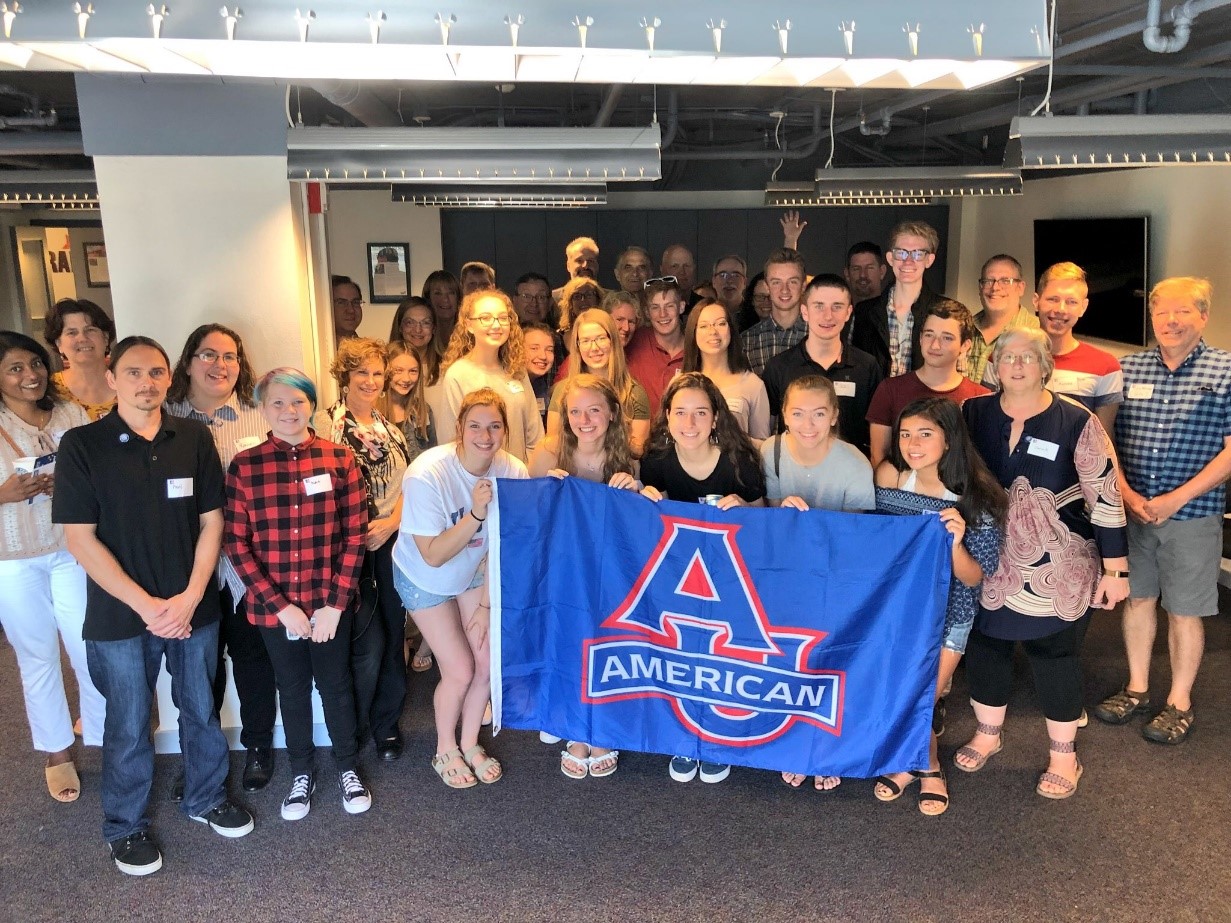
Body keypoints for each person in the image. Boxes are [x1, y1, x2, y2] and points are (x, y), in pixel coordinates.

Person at [54, 335, 254, 877]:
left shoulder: (192, 436)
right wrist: (149, 606)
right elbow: (80, 540)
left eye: (157, 373)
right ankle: (125, 826)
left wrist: (189, 597)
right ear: (113, 378)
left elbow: (214, 522)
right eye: (135, 372)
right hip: (121, 615)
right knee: (127, 720)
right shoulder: (81, 445)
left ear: (170, 379)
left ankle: (206, 797)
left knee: (200, 708)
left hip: (193, 606)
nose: (148, 382)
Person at [959, 328, 1128, 799]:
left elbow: (1106, 496)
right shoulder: (971, 413)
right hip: (986, 561)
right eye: (1007, 357)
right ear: (994, 365)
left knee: (1056, 657)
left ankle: (1063, 755)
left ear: (1044, 365)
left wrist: (1116, 569)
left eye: (1027, 358)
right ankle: (988, 734)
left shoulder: (1076, 421)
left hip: (1058, 569)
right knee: (985, 646)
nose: (1016, 365)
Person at [225, 368, 373, 820]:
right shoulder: (246, 466)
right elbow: (237, 544)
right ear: (262, 408)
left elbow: (354, 535)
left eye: (298, 402)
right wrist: (281, 607)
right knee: (290, 690)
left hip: (331, 604)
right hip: (277, 611)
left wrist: (336, 604)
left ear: (311, 404)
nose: (289, 411)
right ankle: (301, 774)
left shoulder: (338, 458)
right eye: (278, 403)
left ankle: (348, 769)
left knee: (336, 687)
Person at [1094, 277, 1231, 745]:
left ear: (1203, 316)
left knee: (1185, 611)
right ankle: (1136, 688)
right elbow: (1104, 439)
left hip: (1193, 513)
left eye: (1182, 312)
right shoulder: (1127, 369)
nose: (1170, 321)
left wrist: (1178, 497)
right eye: (1161, 313)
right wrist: (1127, 494)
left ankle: (1179, 701)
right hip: (1132, 510)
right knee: (1138, 599)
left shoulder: (1225, 370)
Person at [871, 397, 1006, 816]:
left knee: (924, 695)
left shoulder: (979, 498)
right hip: (897, 612)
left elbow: (974, 577)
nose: (912, 443)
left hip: (951, 614)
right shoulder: (891, 477)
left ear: (949, 440)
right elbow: (874, 540)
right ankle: (923, 765)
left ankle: (924, 767)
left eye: (925, 434)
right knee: (905, 692)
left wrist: (954, 542)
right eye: (906, 434)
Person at [394, 388, 528, 788]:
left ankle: (470, 743)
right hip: (426, 577)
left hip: (476, 572)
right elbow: (433, 555)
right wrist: (475, 514)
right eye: (475, 425)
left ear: (504, 430)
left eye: (494, 426)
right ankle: (444, 748)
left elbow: (504, 547)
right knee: (460, 669)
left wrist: (487, 606)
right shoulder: (427, 472)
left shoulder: (513, 470)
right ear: (458, 429)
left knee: (487, 665)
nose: (485, 436)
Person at [165, 324, 278, 797]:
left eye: (229, 356)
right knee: (196, 671)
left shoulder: (259, 416)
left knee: (252, 659)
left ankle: (257, 747)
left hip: (246, 566)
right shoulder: (161, 416)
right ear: (188, 361)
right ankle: (198, 755)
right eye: (208, 355)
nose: (220, 365)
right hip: (185, 566)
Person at [640, 372, 766, 787]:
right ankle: (681, 732)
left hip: (732, 580)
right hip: (677, 580)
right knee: (678, 655)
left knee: (722, 659)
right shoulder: (655, 461)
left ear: (715, 419)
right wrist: (643, 500)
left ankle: (717, 736)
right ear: (668, 418)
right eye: (680, 413)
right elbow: (643, 532)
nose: (689, 422)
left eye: (700, 413)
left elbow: (767, 523)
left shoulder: (739, 460)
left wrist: (745, 508)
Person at [0, 330, 103, 804]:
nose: (30, 376)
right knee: (36, 654)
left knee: (89, 645)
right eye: (15, 369)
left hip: (71, 547)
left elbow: (99, 468)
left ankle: (104, 735)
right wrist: (5, 493)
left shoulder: (69, 412)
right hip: (12, 558)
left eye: (35, 364)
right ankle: (56, 752)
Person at [529, 374, 637, 778]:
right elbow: (526, 522)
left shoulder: (629, 457)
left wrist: (637, 489)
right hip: (562, 570)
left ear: (611, 413)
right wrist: (544, 491)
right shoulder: (547, 453)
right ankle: (575, 726)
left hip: (611, 573)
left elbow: (640, 526)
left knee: (608, 642)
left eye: (594, 409)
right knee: (571, 642)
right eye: (574, 411)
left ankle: (603, 726)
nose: (584, 419)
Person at [316, 337, 412, 762]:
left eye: (377, 373)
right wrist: (359, 532)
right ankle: (351, 726)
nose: (371, 381)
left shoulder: (389, 427)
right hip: (350, 549)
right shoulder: (327, 427)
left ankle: (387, 723)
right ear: (345, 377)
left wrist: (392, 523)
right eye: (362, 373)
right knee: (364, 643)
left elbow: (410, 485)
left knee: (393, 636)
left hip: (392, 545)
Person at [763, 274, 883, 455]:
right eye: (819, 306)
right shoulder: (779, 366)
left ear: (848, 312)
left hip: (850, 475)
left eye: (837, 307)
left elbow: (877, 434)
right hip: (794, 475)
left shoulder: (867, 367)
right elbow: (767, 431)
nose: (828, 316)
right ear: (805, 312)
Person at [865, 299, 990, 467]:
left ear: (965, 345)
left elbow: (982, 464)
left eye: (947, 338)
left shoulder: (981, 399)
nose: (935, 345)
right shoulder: (890, 390)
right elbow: (878, 458)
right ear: (920, 338)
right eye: (929, 335)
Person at [439, 289, 544, 462]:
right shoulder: (457, 375)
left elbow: (535, 433)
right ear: (469, 325)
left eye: (503, 318)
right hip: (477, 483)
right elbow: (451, 442)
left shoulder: (516, 369)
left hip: (518, 479)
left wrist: (529, 477)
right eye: (485, 318)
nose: (496, 325)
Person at [1029, 262, 1123, 433]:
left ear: (1083, 307)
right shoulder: (1004, 358)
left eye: (1071, 302)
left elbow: (1103, 439)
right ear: (1036, 301)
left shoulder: (1105, 366)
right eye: (1052, 299)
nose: (1060, 309)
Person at [762, 375, 875, 515]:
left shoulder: (857, 465)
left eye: (819, 414)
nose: (808, 425)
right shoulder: (771, 451)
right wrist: (785, 513)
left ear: (834, 416)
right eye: (797, 414)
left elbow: (849, 528)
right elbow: (775, 519)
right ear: (785, 416)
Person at [850, 221, 949, 379]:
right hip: (875, 402)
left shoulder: (946, 312)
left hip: (925, 403)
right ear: (890, 258)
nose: (908, 261)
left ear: (929, 260)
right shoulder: (864, 312)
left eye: (917, 254)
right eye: (901, 253)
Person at [547, 308, 650, 457]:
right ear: (577, 346)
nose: (594, 348)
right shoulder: (563, 390)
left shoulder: (634, 393)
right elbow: (552, 444)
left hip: (617, 476)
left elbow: (638, 452)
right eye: (586, 341)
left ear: (612, 340)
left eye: (601, 338)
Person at [683, 299, 769, 443]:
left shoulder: (753, 385)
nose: (713, 331)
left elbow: (763, 446)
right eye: (704, 326)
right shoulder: (680, 382)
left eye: (721, 323)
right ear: (693, 332)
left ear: (731, 329)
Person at [965, 254, 1039, 386]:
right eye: (988, 281)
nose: (995, 288)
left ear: (1020, 288)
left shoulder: (1037, 333)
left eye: (1005, 281)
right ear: (980, 287)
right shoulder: (964, 328)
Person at [42, 298, 116, 421]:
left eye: (90, 330)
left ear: (106, 338)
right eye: (72, 333)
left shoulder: (128, 382)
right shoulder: (49, 390)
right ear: (58, 343)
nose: (82, 338)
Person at [740, 249, 808, 376]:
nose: (784, 290)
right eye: (776, 282)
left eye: (792, 282)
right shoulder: (747, 341)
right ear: (767, 286)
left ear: (803, 285)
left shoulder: (818, 335)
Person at [626, 277, 687, 416]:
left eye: (669, 306)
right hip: (640, 435)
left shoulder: (697, 347)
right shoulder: (633, 340)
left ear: (681, 307)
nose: (662, 314)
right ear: (647, 312)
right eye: (655, 307)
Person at [379, 340, 436, 465]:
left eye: (413, 371)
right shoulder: (372, 413)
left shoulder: (423, 410)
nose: (406, 378)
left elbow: (433, 458)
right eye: (398, 370)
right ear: (385, 371)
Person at [389, 296, 444, 389]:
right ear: (400, 327)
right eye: (410, 322)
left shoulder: (446, 369)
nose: (418, 330)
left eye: (426, 323)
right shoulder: (383, 365)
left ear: (434, 328)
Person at [522, 322, 557, 425]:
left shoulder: (542, 385)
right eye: (534, 348)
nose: (543, 356)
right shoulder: (505, 386)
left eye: (549, 350)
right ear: (517, 348)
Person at [552, 236, 601, 304]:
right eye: (579, 260)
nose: (585, 266)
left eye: (590, 261)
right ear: (568, 266)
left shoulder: (610, 301)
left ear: (597, 265)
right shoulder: (552, 300)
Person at [557, 276, 604, 345]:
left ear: (598, 299)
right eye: (577, 296)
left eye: (589, 295)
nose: (583, 300)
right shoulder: (559, 337)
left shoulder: (608, 330)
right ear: (570, 304)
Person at [422, 270, 462, 344]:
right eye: (438, 293)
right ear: (428, 298)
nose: (445, 299)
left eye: (451, 293)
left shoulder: (469, 334)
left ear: (458, 297)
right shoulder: (420, 335)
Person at [332, 275, 364, 346]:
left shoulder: (370, 352)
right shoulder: (316, 350)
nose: (351, 310)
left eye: (355, 302)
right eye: (341, 303)